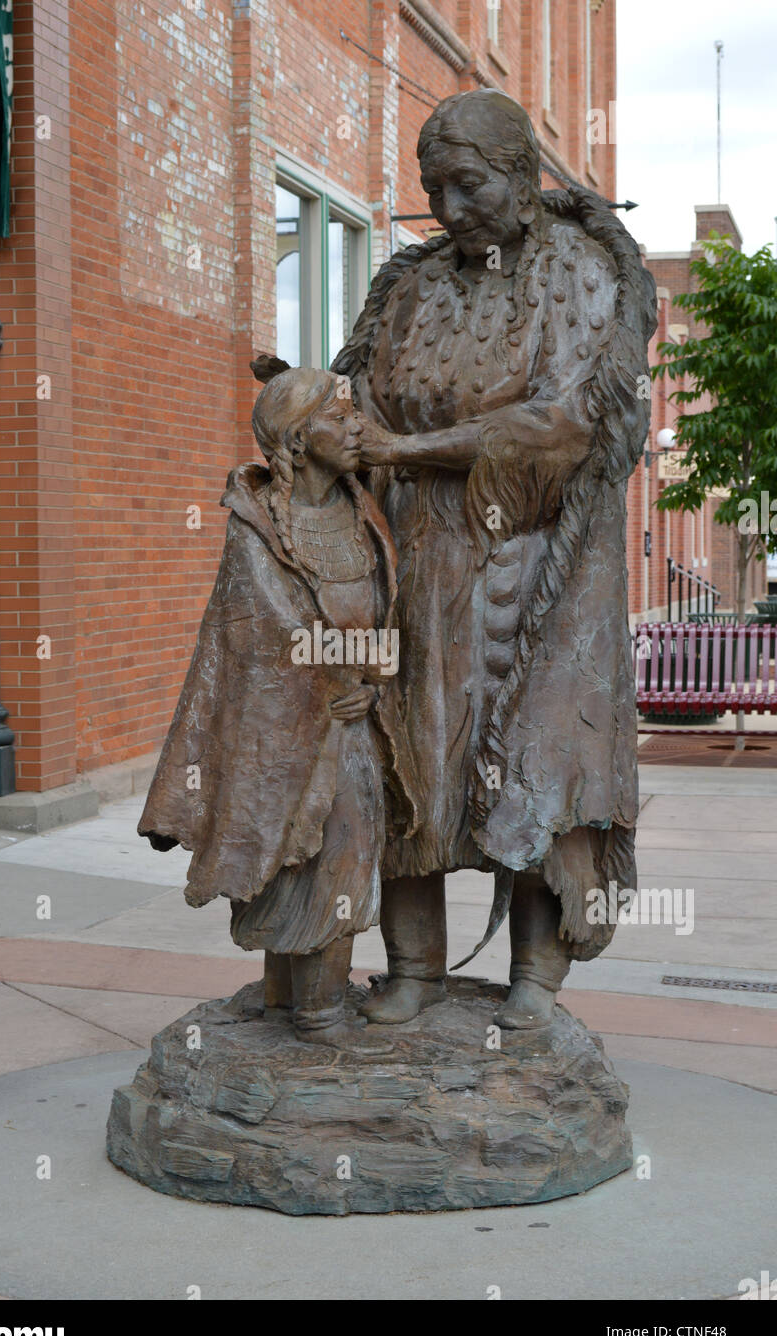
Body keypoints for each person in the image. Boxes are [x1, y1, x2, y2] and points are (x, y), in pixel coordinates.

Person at [330, 89, 656, 1028]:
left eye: (468, 184)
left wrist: (401, 452)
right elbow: (368, 400)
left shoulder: (580, 273)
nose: (450, 208)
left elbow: (564, 422)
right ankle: (415, 971)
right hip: (427, 562)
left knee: (545, 766)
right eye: (435, 188)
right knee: (414, 759)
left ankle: (535, 982)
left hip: (549, 561)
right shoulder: (415, 284)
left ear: (521, 176)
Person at [138, 366, 411, 1048]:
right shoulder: (256, 528)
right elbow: (264, 631)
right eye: (340, 417)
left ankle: (302, 1000)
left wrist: (375, 678)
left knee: (343, 853)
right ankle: (311, 1011)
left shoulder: (364, 511)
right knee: (295, 858)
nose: (357, 428)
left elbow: (392, 614)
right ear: (296, 438)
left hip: (357, 726)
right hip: (289, 732)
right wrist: (331, 680)